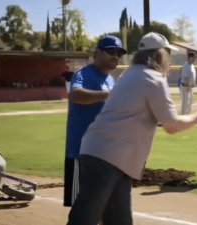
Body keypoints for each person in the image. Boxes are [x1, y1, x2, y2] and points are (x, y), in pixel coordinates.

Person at [66, 32, 197, 225]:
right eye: (168, 54)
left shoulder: (130, 73)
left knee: (118, 220)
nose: (169, 60)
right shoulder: (153, 79)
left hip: (112, 156)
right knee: (85, 217)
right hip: (107, 156)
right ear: (160, 54)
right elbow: (171, 125)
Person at [63, 35, 126, 208]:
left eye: (118, 53)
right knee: (81, 211)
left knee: (102, 208)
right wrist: (109, 94)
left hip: (102, 155)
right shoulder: (83, 73)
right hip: (79, 154)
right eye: (110, 51)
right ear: (97, 52)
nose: (115, 56)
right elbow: (75, 95)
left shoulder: (110, 80)